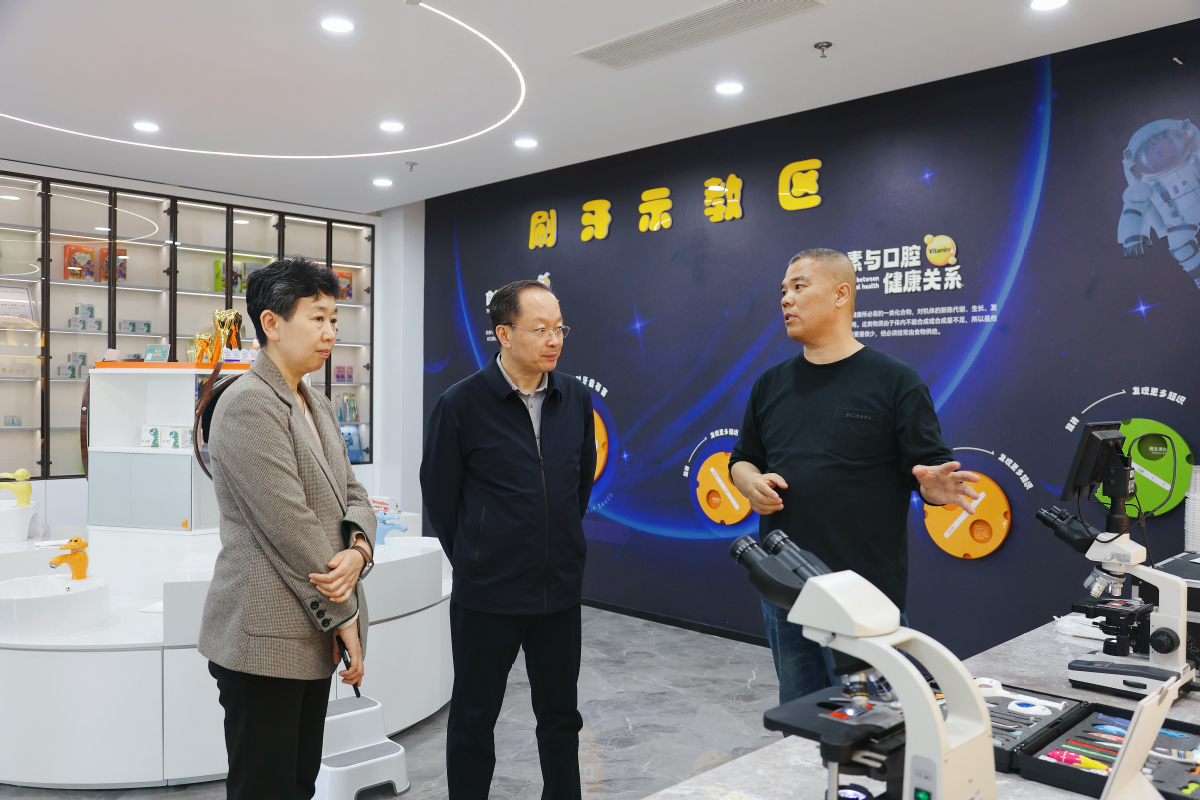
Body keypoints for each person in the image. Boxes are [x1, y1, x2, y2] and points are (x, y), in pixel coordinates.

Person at [728, 248, 979, 704]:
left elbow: (928, 469)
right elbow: (743, 459)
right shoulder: (770, 384)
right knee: (800, 716)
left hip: (865, 593)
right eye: (783, 290)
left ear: (841, 294)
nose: (786, 299)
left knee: (878, 722)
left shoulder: (895, 381)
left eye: (799, 287)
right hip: (785, 589)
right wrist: (749, 483)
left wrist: (934, 488)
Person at [198, 256, 377, 800]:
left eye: (334, 320)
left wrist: (360, 550)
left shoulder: (314, 401)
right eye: (317, 318)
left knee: (299, 782)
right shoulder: (247, 404)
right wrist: (346, 615)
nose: (330, 333)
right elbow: (290, 526)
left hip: (310, 634)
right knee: (265, 787)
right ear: (272, 324)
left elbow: (354, 495)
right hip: (263, 638)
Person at [421, 279, 595, 800]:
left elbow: (578, 484)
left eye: (559, 328)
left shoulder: (574, 397)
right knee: (474, 718)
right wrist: (477, 557)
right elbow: (441, 496)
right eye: (540, 329)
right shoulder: (461, 404)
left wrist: (560, 545)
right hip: (488, 596)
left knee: (561, 717)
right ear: (504, 333)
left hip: (558, 591)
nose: (554, 339)